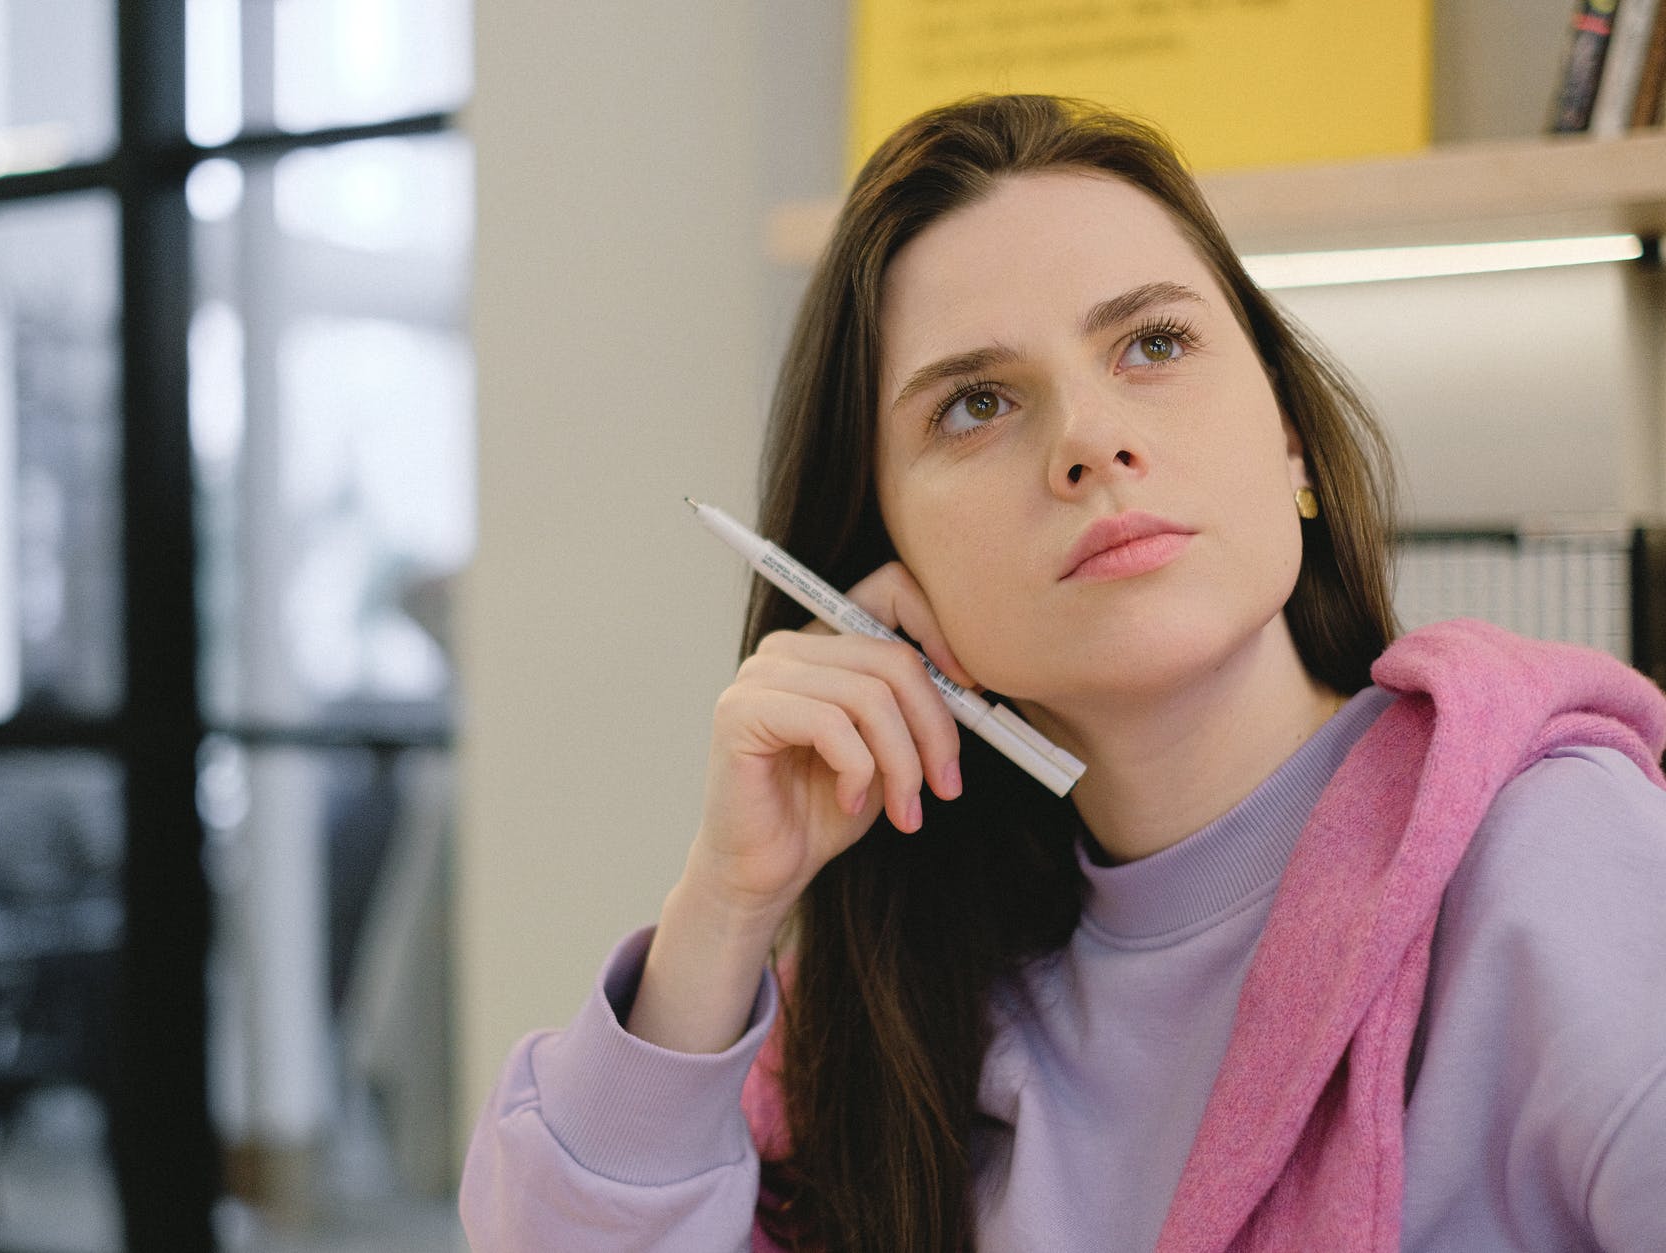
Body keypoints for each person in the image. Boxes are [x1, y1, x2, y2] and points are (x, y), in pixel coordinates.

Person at [458, 94, 1666, 1251]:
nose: (1090, 439)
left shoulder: (1549, 860)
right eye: (977, 403)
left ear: (1286, 430)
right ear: (885, 562)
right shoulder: (920, 1018)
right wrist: (723, 907)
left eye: (1151, 342)